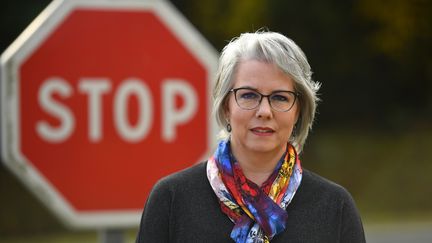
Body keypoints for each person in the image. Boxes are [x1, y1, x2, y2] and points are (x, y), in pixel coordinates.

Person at [136, 31, 366, 243]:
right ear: (226, 106)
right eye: (248, 95)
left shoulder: (335, 207)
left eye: (280, 97)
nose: (264, 111)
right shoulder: (171, 200)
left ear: (298, 111)